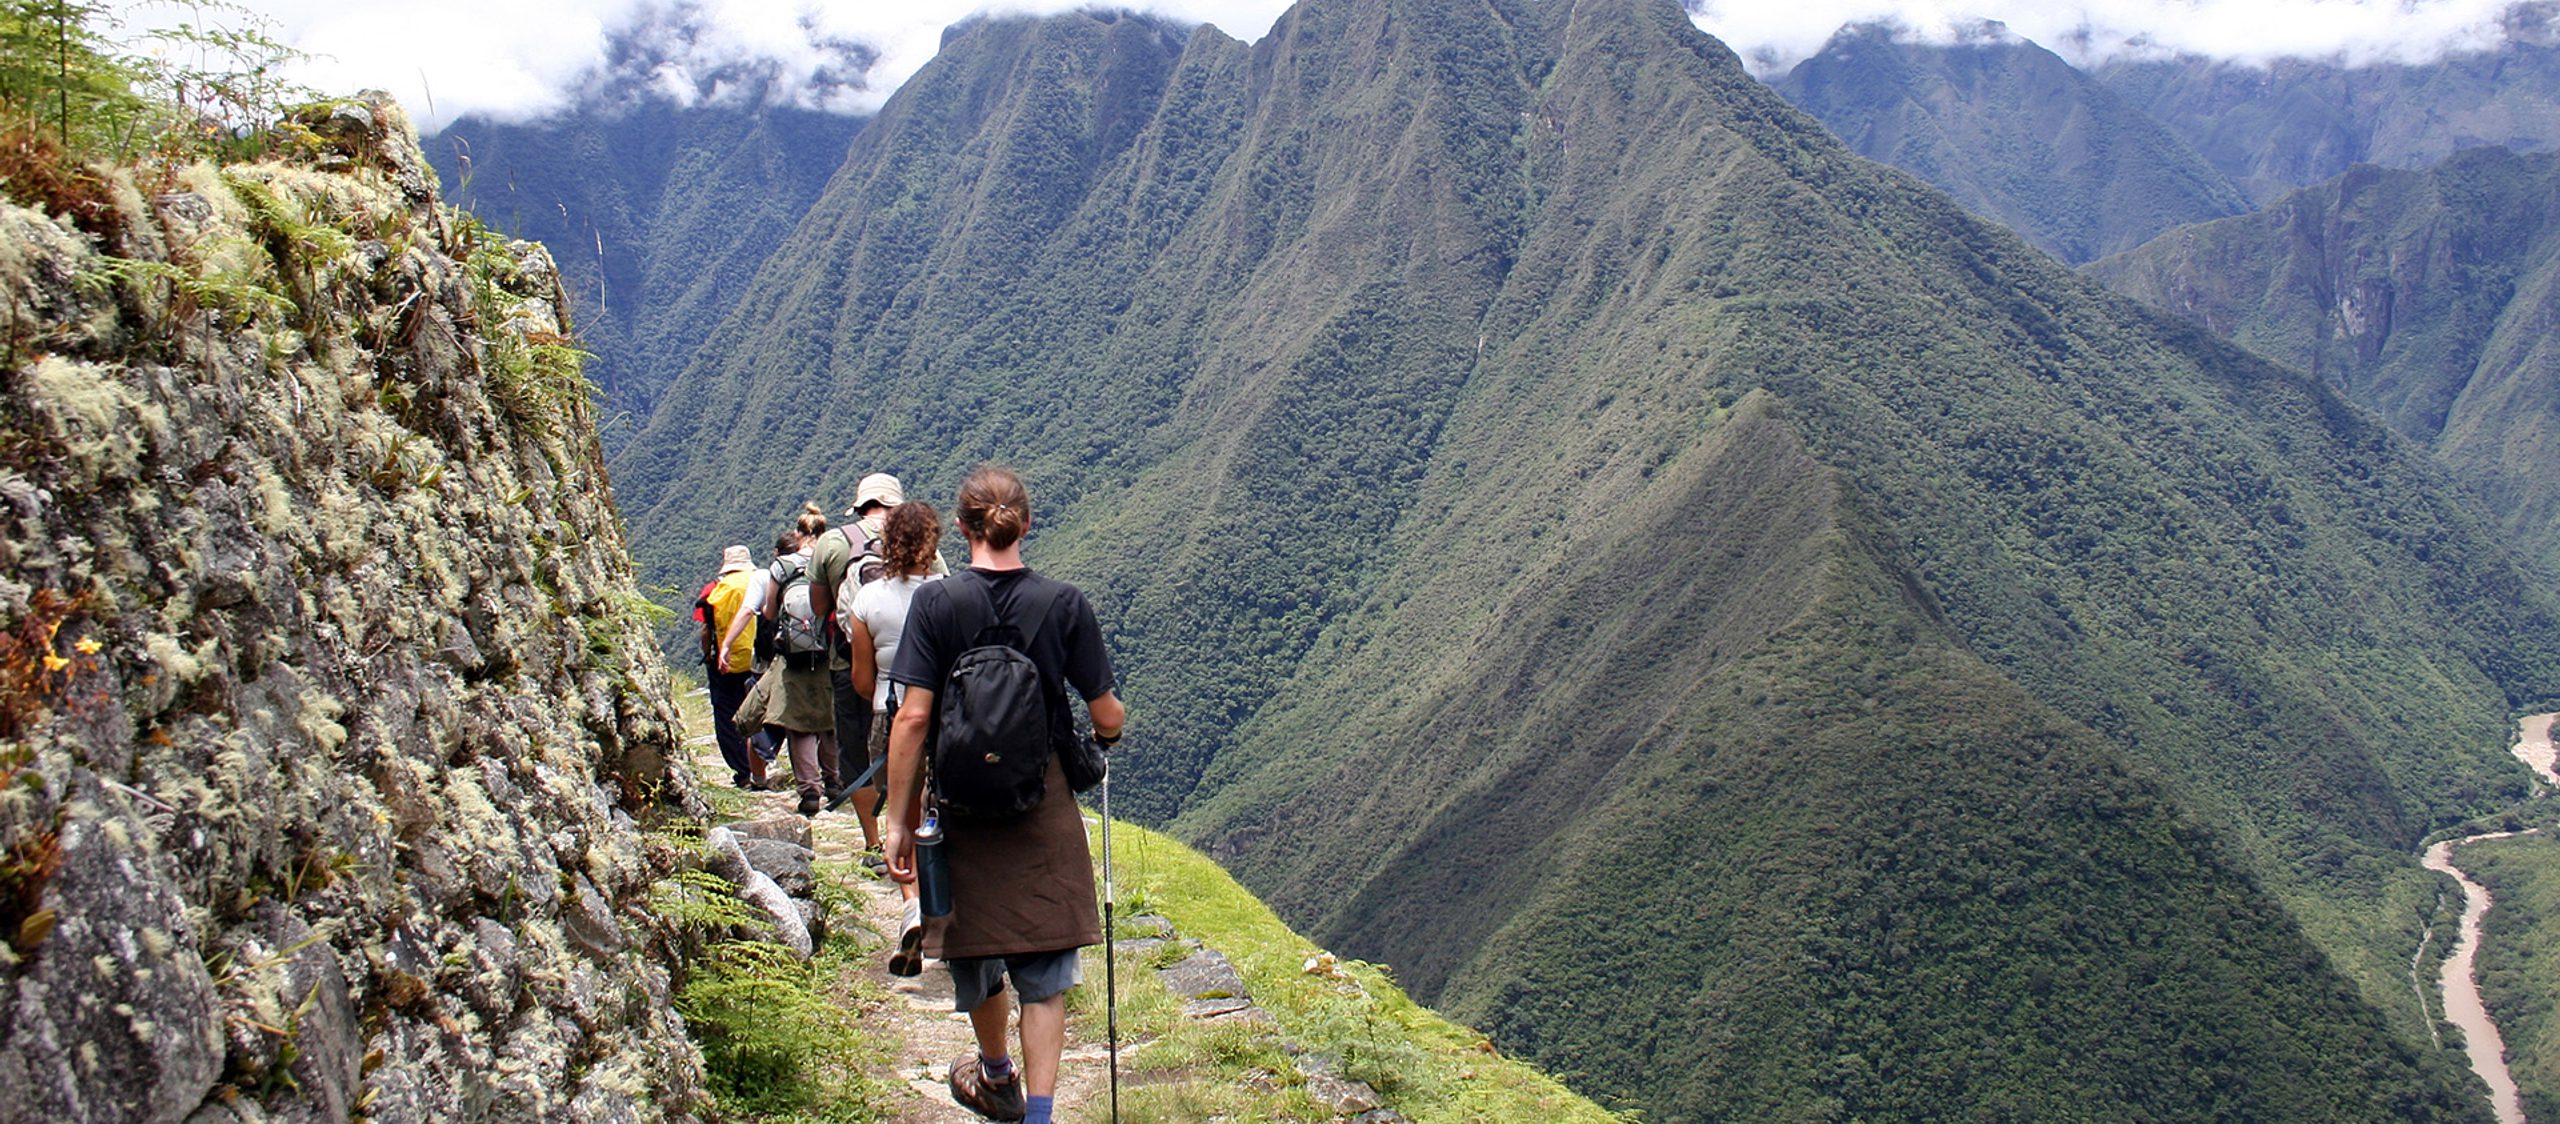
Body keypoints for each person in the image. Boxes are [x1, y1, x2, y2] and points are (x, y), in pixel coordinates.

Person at [885, 466, 1123, 1124]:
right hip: (1040, 800)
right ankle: (1041, 1113)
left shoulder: (935, 605)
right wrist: (1110, 730)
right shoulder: (1064, 604)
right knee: (1045, 967)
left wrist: (899, 822)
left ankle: (995, 1074)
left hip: (959, 805)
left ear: (959, 529)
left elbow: (910, 719)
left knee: (976, 950)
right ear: (1027, 524)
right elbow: (1105, 714)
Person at [848, 500, 943, 972]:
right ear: (933, 543)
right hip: (947, 714)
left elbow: (861, 678)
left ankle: (911, 904)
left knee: (902, 809)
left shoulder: (867, 601)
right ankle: (945, 908)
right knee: (940, 808)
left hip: (890, 712)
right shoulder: (950, 593)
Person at [722, 507, 842, 815]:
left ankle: (810, 791)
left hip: (794, 656)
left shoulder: (782, 566)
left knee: (799, 724)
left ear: (798, 534)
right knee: (830, 720)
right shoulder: (832, 560)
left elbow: (770, 613)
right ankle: (835, 782)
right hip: (829, 652)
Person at [693, 544, 762, 789]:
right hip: (760, 659)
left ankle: (743, 771)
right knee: (759, 713)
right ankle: (761, 765)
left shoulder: (714, 590)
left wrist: (709, 655)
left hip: (727, 661)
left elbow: (705, 630)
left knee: (727, 716)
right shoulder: (762, 581)